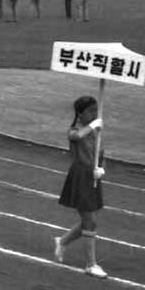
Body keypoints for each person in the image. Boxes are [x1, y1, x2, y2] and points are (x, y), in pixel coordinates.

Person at [54, 95, 107, 278]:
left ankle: (62, 241)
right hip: (80, 176)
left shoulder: (95, 132)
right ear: (80, 113)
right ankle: (91, 265)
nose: (94, 114)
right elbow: (76, 136)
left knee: (89, 220)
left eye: (96, 110)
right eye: (91, 111)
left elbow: (100, 152)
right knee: (90, 221)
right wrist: (92, 126)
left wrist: (100, 168)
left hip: (92, 175)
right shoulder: (76, 129)